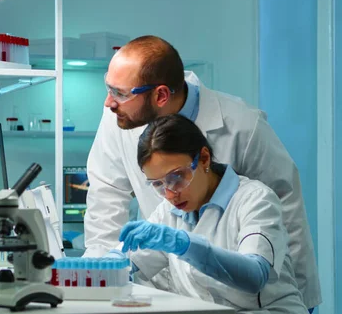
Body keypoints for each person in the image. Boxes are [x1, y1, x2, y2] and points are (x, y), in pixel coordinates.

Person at [83, 35, 321, 311]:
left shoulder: (243, 127)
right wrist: (100, 273)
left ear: (160, 95)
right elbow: (106, 197)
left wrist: (303, 297)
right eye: (157, 184)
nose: (109, 103)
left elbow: (285, 212)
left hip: (253, 294)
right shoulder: (121, 120)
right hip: (180, 290)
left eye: (121, 93)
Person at [108, 114, 308, 313]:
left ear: (204, 158)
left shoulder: (255, 199)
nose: (169, 194)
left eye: (176, 177)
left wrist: (187, 246)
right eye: (158, 184)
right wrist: (112, 263)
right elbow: (129, 261)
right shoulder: (168, 211)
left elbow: (254, 276)